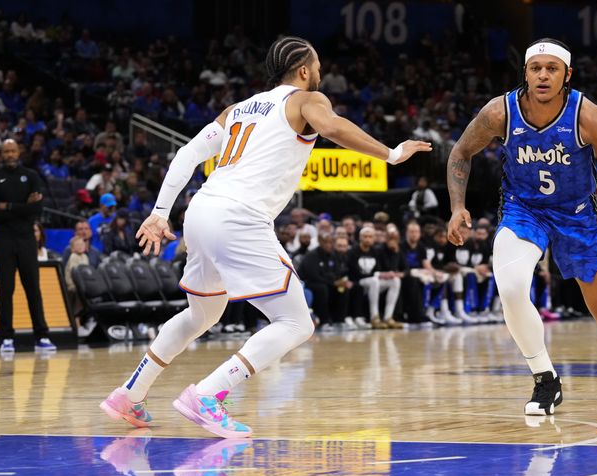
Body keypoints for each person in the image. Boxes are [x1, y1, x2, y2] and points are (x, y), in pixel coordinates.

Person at [100, 36, 430, 437]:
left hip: (201, 211)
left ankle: (130, 394)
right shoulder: (308, 100)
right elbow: (333, 127)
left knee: (201, 314)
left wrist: (158, 213)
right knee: (296, 323)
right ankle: (208, 393)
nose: (321, 73)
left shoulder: (237, 109)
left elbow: (187, 154)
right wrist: (392, 155)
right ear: (304, 70)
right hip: (239, 217)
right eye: (318, 66)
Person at [446, 38, 597, 415]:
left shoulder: (589, 117)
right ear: (525, 72)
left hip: (576, 216)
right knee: (510, 287)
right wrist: (458, 206)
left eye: (552, 69)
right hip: (522, 210)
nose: (543, 75)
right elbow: (461, 152)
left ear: (567, 75)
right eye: (535, 68)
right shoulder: (500, 112)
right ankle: (545, 379)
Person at [0, 138, 55, 354]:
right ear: (1, 153)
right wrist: (24, 205)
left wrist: (8, 206)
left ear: (19, 152)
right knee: (5, 289)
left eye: (13, 151)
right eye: (6, 151)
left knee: (33, 287)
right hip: (3, 239)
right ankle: (6, 338)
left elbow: (37, 209)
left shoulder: (31, 176)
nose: (10, 155)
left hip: (26, 238)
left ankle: (41, 335)